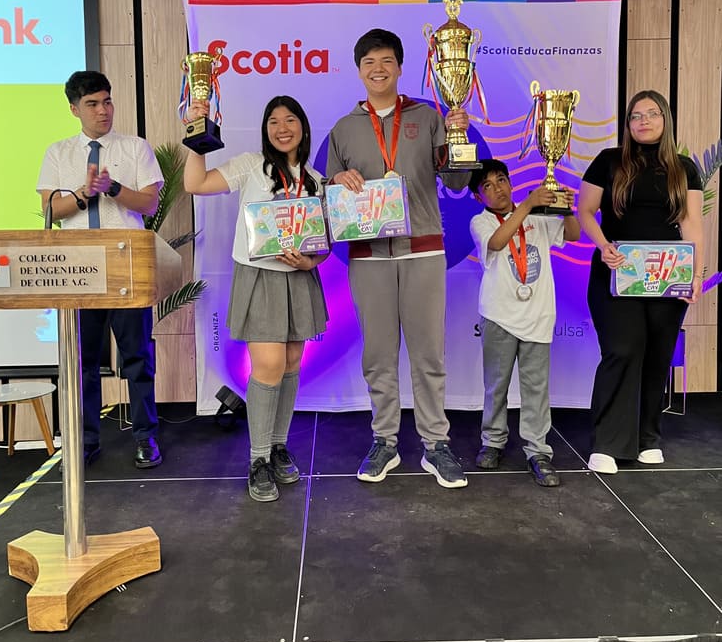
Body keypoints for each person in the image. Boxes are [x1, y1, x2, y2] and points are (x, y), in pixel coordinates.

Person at [326, 28, 469, 489]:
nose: (378, 69)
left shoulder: (428, 118)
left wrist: (458, 136)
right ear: (359, 70)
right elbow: (330, 198)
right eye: (369, 62)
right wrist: (338, 180)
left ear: (400, 67)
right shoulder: (344, 129)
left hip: (423, 249)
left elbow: (458, 182)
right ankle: (384, 440)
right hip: (368, 256)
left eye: (386, 60)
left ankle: (436, 443)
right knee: (378, 355)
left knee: (428, 353)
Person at [184, 95, 328, 503]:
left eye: (290, 120)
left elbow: (324, 243)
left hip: (300, 279)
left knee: (292, 364)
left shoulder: (316, 180)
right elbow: (196, 184)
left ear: (303, 126)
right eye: (273, 121)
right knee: (267, 366)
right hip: (260, 277)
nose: (282, 128)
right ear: (265, 130)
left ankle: (279, 446)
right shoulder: (251, 166)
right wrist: (196, 135)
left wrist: (309, 261)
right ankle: (258, 459)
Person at [37, 71, 164, 468]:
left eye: (107, 101)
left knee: (137, 358)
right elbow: (50, 210)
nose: (103, 110)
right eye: (92, 104)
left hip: (127, 265)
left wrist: (112, 189)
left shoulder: (135, 147)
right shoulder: (58, 153)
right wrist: (83, 193)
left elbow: (149, 204)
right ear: (74, 109)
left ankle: (145, 438)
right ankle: (85, 439)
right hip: (78, 269)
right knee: (84, 363)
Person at [577, 90, 703, 474]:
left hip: (668, 276)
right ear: (628, 123)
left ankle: (648, 437)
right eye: (636, 115)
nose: (643, 121)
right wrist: (603, 246)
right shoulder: (608, 161)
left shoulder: (684, 168)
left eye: (652, 114)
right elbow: (585, 211)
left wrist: (695, 275)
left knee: (657, 354)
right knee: (622, 349)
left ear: (665, 120)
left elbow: (692, 225)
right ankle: (607, 443)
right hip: (617, 273)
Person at [469, 159, 580, 487]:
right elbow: (497, 242)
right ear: (478, 196)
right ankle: (493, 441)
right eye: (487, 186)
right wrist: (529, 204)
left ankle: (537, 450)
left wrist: (566, 208)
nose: (497, 189)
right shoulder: (480, 221)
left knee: (536, 388)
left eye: (501, 180)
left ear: (510, 182)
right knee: (496, 385)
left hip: (538, 314)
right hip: (498, 316)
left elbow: (573, 234)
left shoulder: (538, 215)